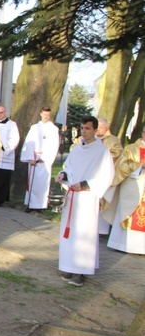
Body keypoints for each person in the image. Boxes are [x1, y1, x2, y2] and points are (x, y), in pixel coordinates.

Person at [55, 116, 114, 287]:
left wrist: (86, 184)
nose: (84, 131)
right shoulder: (76, 150)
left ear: (95, 130)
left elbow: (106, 177)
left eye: (88, 128)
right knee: (70, 232)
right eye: (82, 128)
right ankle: (69, 266)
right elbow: (69, 168)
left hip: (88, 197)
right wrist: (63, 175)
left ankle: (81, 271)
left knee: (84, 233)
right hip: (73, 196)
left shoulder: (102, 153)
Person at [101, 129, 145, 255]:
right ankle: (123, 244)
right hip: (134, 186)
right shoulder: (131, 149)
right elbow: (121, 165)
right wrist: (140, 166)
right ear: (143, 133)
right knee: (129, 213)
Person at [20, 106, 59, 212]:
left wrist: (47, 158)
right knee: (32, 182)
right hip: (34, 159)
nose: (46, 116)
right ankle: (30, 204)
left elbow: (54, 145)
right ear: (41, 114)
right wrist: (30, 158)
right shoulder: (34, 128)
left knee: (43, 183)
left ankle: (41, 205)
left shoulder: (54, 129)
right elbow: (28, 143)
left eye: (48, 115)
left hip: (45, 161)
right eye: (44, 114)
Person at [0, 104, 20, 207]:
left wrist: (4, 147)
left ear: (5, 112)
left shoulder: (12, 124)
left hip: (5, 154)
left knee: (3, 177)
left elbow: (15, 139)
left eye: (1, 112)